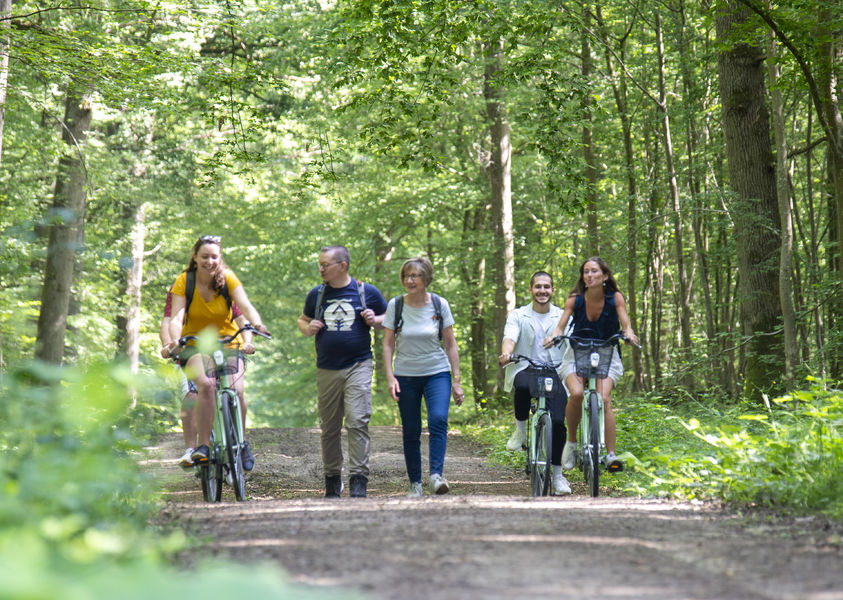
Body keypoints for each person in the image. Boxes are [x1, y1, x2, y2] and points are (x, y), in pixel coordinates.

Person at [167, 235, 269, 471]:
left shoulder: (228, 279)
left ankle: (241, 443)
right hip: (195, 343)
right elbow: (176, 317)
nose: (209, 261)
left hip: (228, 342)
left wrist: (257, 324)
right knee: (206, 384)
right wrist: (175, 340)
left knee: (237, 390)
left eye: (214, 257)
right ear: (195, 257)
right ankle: (203, 446)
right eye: (204, 257)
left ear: (219, 257)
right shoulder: (185, 280)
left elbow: (245, 306)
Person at [297, 245, 387, 499]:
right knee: (330, 427)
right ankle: (332, 480)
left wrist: (375, 320)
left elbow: (390, 319)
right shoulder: (317, 294)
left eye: (326, 265)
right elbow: (302, 320)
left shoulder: (365, 291)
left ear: (343, 266)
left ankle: (359, 480)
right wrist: (308, 327)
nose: (321, 269)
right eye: (320, 264)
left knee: (358, 420)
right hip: (326, 368)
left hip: (358, 364)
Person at [544, 257, 639, 471]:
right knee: (576, 394)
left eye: (594, 271)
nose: (589, 275)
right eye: (586, 272)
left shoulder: (615, 298)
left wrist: (629, 336)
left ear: (605, 276)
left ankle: (611, 454)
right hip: (577, 351)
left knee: (604, 399)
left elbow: (626, 326)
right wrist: (553, 337)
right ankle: (571, 443)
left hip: (606, 351)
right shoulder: (575, 299)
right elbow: (560, 327)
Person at [382, 257, 464, 497]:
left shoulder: (439, 304)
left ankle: (436, 477)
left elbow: (450, 344)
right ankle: (415, 484)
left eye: (415, 276)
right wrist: (390, 377)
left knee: (438, 419)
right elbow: (387, 345)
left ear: (426, 278)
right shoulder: (396, 306)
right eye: (406, 276)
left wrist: (456, 380)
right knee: (411, 429)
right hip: (405, 375)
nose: (410, 280)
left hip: (437, 372)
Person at [498, 271, 571, 495]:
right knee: (521, 386)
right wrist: (507, 354)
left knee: (559, 422)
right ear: (530, 290)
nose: (542, 291)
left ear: (552, 290)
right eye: (538, 287)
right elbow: (510, 337)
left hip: (554, 371)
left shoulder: (561, 315)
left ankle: (558, 477)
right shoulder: (519, 315)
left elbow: (571, 337)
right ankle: (520, 433)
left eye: (546, 287)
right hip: (525, 367)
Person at [160, 288, 246, 468]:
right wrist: (168, 345)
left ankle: (237, 442)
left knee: (234, 390)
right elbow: (168, 322)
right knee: (192, 394)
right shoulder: (181, 289)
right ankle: (190, 450)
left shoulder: (225, 286)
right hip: (190, 350)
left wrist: (246, 341)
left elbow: (240, 318)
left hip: (224, 349)